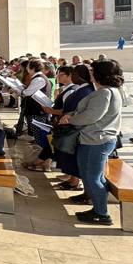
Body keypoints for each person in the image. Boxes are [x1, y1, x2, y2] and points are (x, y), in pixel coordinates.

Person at [59, 59, 124, 225]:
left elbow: (91, 116)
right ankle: (98, 208)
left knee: (92, 177)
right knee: (94, 176)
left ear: (100, 74)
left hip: (96, 140)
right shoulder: (110, 91)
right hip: (97, 139)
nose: (91, 74)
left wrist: (70, 119)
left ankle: (102, 213)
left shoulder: (104, 93)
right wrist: (73, 114)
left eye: (93, 71)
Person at [49, 64, 94, 195]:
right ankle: (72, 179)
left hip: (75, 127)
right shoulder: (81, 88)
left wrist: (68, 117)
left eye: (74, 74)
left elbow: (79, 109)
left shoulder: (86, 90)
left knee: (72, 155)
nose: (72, 76)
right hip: (69, 124)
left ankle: (75, 181)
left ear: (79, 76)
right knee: (68, 155)